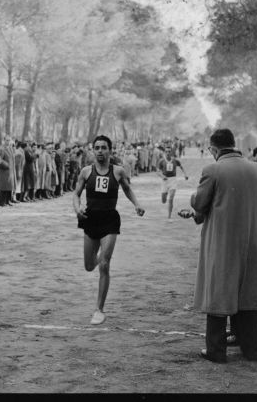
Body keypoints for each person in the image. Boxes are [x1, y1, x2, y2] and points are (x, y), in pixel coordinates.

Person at [179, 129, 257, 364]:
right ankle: (251, 349)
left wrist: (193, 203)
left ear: (213, 149)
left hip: (222, 241)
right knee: (248, 293)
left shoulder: (212, 170)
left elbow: (200, 202)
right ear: (234, 144)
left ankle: (216, 350)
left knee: (218, 291)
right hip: (252, 240)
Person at [73, 135, 145, 325]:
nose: (100, 151)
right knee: (90, 266)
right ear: (92, 150)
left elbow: (128, 189)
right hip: (90, 219)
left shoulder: (118, 171)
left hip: (110, 221)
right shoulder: (86, 172)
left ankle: (99, 309)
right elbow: (76, 194)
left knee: (104, 264)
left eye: (104, 147)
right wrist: (77, 208)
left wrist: (136, 204)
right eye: (97, 147)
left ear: (110, 150)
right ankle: (100, 257)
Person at [157, 147, 188, 219]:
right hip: (165, 181)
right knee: (163, 201)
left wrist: (185, 174)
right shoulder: (161, 161)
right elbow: (158, 171)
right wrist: (162, 176)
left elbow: (181, 167)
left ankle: (169, 216)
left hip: (173, 180)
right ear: (164, 152)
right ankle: (165, 194)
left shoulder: (175, 161)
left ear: (171, 152)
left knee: (171, 199)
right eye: (166, 151)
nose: (168, 153)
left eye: (169, 151)